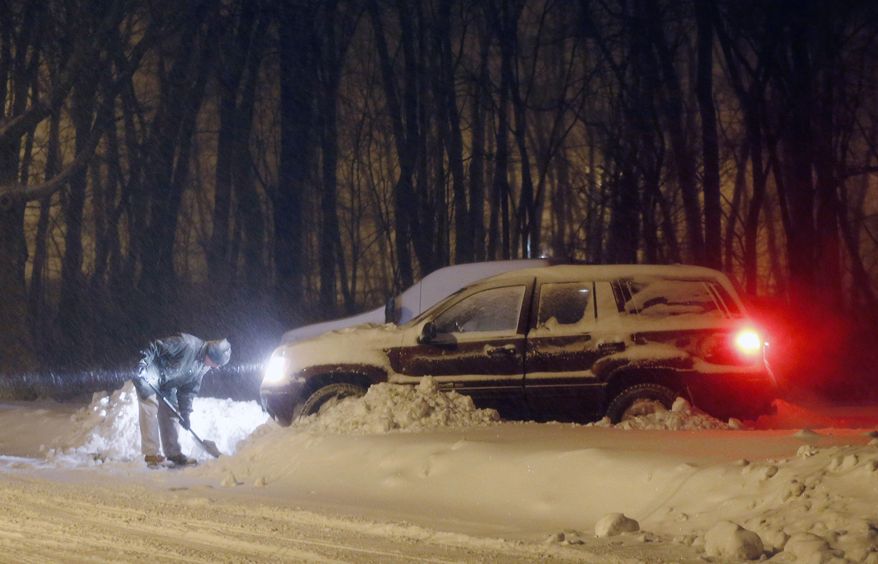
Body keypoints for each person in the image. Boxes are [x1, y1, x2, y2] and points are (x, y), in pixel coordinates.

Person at [132, 333, 231, 467]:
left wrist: (185, 413)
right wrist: (143, 361)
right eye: (215, 363)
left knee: (173, 412)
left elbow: (189, 390)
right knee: (150, 406)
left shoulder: (204, 366)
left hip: (168, 383)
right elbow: (156, 346)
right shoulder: (186, 344)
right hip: (150, 373)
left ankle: (173, 453)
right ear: (210, 354)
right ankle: (151, 454)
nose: (215, 367)